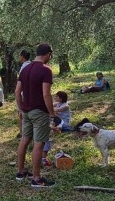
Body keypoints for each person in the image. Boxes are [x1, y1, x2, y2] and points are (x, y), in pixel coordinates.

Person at [15, 43, 57, 188]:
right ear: (48, 54)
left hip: (26, 111)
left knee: (25, 139)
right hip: (39, 112)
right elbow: (46, 94)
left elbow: (17, 92)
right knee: (39, 143)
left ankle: (20, 172)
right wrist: (52, 114)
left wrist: (21, 109)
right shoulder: (46, 70)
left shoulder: (25, 69)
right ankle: (37, 178)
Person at [41, 91, 72, 167]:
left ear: (61, 98)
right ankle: (53, 127)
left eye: (56, 96)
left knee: (53, 116)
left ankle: (53, 127)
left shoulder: (65, 106)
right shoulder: (58, 104)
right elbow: (49, 106)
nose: (55, 98)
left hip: (65, 124)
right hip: (58, 122)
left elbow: (53, 110)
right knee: (53, 117)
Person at [16, 50, 31, 138]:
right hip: (28, 93)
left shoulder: (24, 66)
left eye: (19, 55)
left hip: (23, 93)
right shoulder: (30, 65)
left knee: (21, 113)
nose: (19, 57)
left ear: (22, 56)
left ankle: (22, 133)